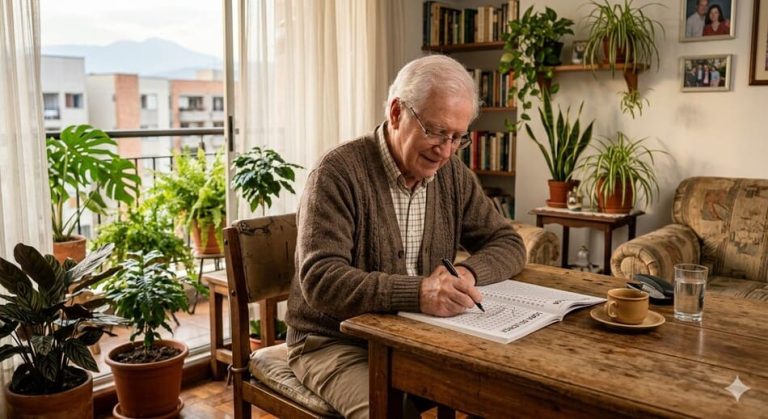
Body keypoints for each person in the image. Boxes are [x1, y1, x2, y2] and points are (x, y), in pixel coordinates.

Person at [285, 54, 526, 418]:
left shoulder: (452, 175)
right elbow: (321, 281)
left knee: (500, 395)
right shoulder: (337, 173)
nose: (445, 151)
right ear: (397, 113)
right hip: (333, 342)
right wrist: (420, 293)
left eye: (457, 138)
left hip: (411, 336)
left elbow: (508, 243)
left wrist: (468, 274)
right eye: (435, 131)